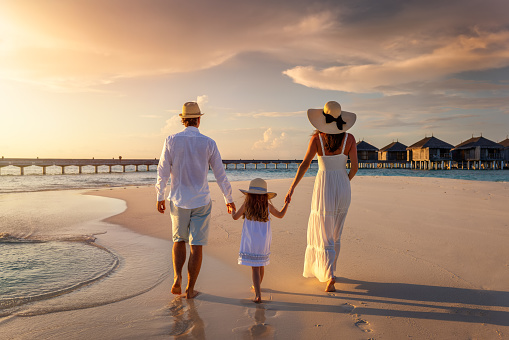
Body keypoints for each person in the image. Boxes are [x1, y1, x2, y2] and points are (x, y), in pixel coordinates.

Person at [156, 101, 236, 299]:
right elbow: (220, 174)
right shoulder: (209, 143)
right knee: (196, 245)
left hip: (178, 199)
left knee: (179, 240)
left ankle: (177, 278)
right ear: (199, 120)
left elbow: (162, 171)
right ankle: (191, 289)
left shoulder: (171, 140)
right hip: (201, 200)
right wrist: (229, 198)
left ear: (183, 120)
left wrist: (159, 196)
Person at [285, 101, 358, 292]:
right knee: (336, 232)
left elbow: (304, 165)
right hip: (343, 186)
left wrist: (292, 188)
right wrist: (344, 182)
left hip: (324, 186)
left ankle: (330, 275)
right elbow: (355, 168)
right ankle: (331, 270)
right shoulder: (349, 138)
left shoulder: (317, 140)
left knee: (323, 231)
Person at [232, 178, 289, 303]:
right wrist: (287, 204)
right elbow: (280, 215)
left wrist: (232, 209)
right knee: (260, 264)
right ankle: (257, 286)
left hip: (251, 240)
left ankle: (258, 295)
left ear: (249, 195)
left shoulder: (247, 205)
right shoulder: (267, 206)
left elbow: (235, 217)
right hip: (264, 240)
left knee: (255, 268)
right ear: (264, 196)